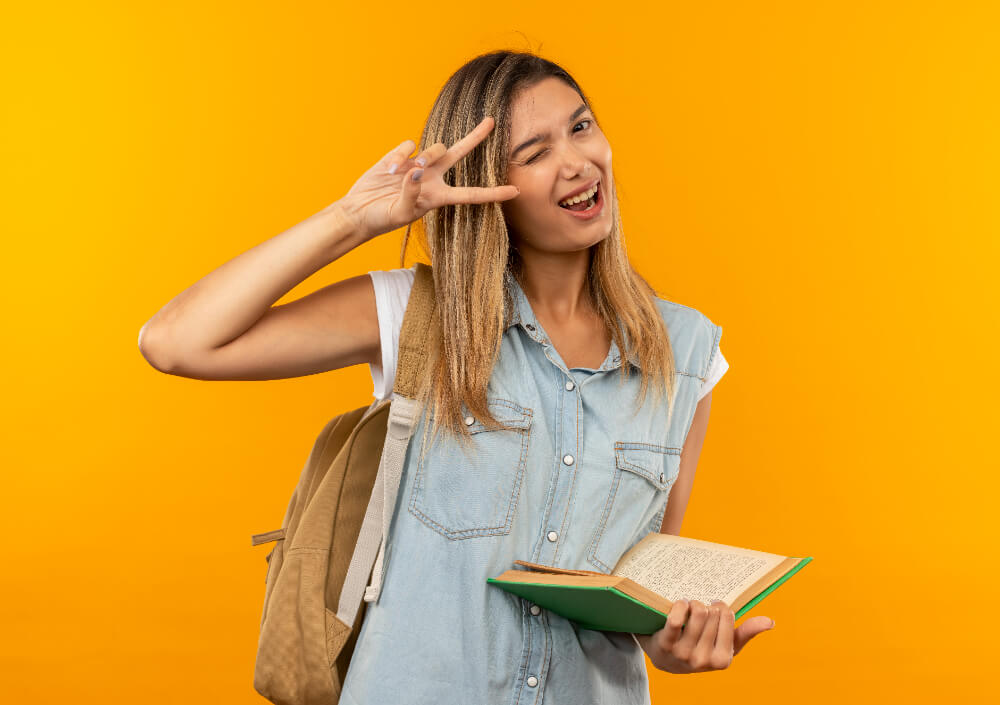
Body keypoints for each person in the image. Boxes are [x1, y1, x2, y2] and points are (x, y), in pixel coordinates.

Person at [138, 50, 775, 705]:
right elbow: (176, 342)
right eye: (535, 152)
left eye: (581, 127)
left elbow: (641, 590)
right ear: (487, 185)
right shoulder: (419, 316)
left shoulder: (685, 351)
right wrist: (357, 218)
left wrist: (672, 643)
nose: (577, 161)